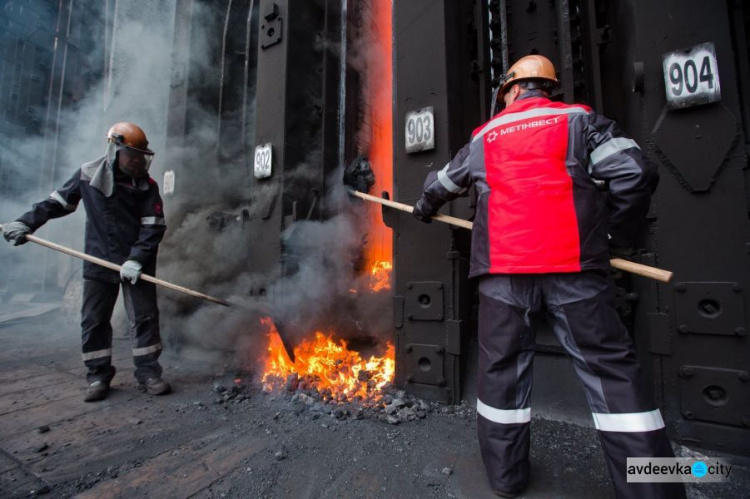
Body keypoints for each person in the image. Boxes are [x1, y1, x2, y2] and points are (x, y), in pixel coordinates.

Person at [413, 55, 685, 498]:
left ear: (512, 90)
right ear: (548, 88)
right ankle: (654, 490)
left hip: (502, 274)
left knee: (500, 373)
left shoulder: (485, 135)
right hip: (574, 270)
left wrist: (423, 211)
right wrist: (616, 238)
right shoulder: (580, 121)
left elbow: (438, 185)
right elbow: (634, 173)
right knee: (611, 375)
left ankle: (506, 480)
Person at [3, 122, 171, 402]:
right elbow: (56, 203)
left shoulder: (146, 185)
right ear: (113, 149)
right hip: (98, 258)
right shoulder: (87, 176)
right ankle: (97, 376)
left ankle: (149, 374)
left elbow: (153, 227)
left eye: (141, 155)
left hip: (136, 263)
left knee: (144, 318)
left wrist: (137, 259)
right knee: (94, 320)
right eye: (131, 154)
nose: (137, 160)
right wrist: (25, 223)